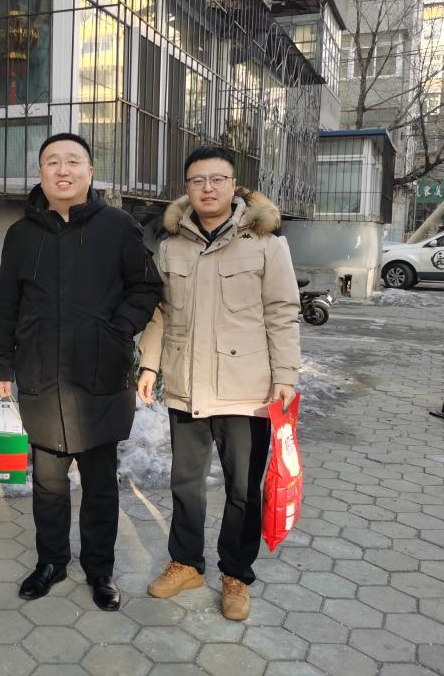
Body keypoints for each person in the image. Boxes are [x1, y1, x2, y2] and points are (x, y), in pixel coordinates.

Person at [0, 132, 163, 611]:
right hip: (41, 375)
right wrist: (2, 360)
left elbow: (147, 286)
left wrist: (118, 329)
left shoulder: (118, 226)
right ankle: (51, 562)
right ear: (40, 173)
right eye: (52, 162)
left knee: (100, 484)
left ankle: (100, 570)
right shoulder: (21, 234)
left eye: (72, 161)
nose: (62, 170)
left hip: (100, 375)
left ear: (90, 171)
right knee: (48, 484)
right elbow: (6, 303)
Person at [137, 145, 300, 621]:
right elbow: (161, 313)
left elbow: (282, 311)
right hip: (186, 383)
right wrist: (149, 366)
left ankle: (236, 573)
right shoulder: (171, 245)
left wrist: (286, 375)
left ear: (233, 186)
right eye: (197, 180)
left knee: (243, 489)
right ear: (186, 188)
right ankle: (186, 563)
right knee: (185, 483)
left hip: (247, 388)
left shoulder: (265, 242)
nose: (207, 189)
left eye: (217, 179)